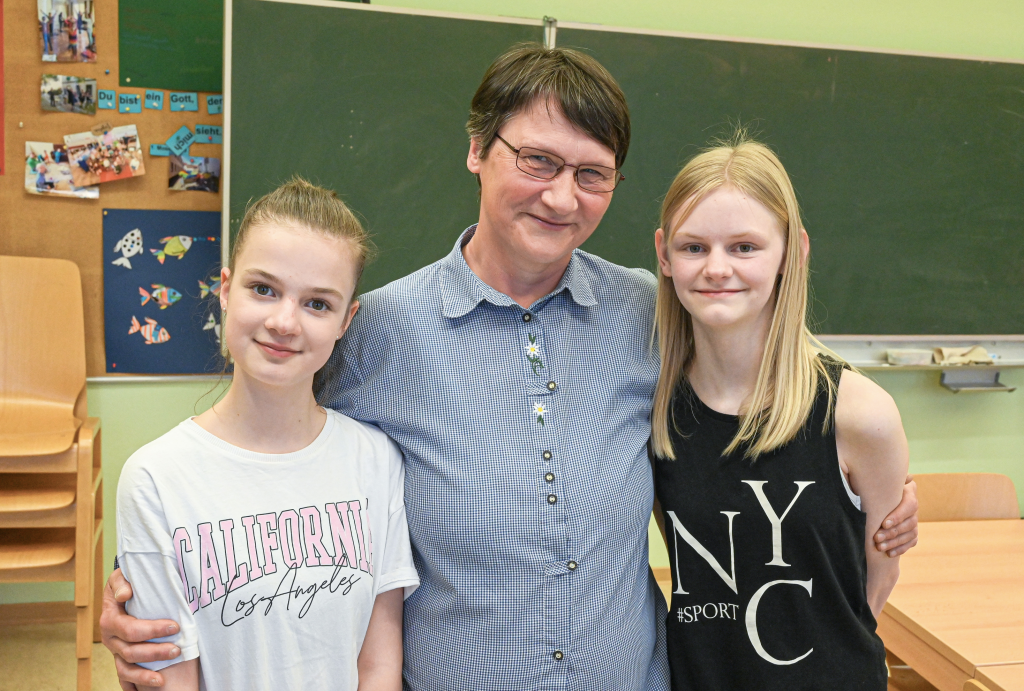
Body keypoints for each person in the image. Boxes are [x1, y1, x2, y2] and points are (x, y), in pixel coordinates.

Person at [101, 44, 919, 691]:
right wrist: (149, 597)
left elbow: (760, 354)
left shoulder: (649, 313)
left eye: (591, 175)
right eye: (537, 161)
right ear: (476, 152)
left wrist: (876, 483)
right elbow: (267, 452)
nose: (562, 198)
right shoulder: (376, 332)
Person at [113, 178, 419, 690]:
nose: (284, 321)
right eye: (264, 289)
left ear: (348, 319)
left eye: (317, 304)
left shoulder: (375, 460)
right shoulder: (154, 479)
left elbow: (378, 663)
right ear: (226, 290)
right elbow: (168, 674)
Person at [650, 136, 907, 690]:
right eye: (694, 247)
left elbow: (876, 582)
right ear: (663, 255)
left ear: (792, 251)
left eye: (745, 247)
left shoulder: (859, 413)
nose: (717, 268)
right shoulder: (652, 410)